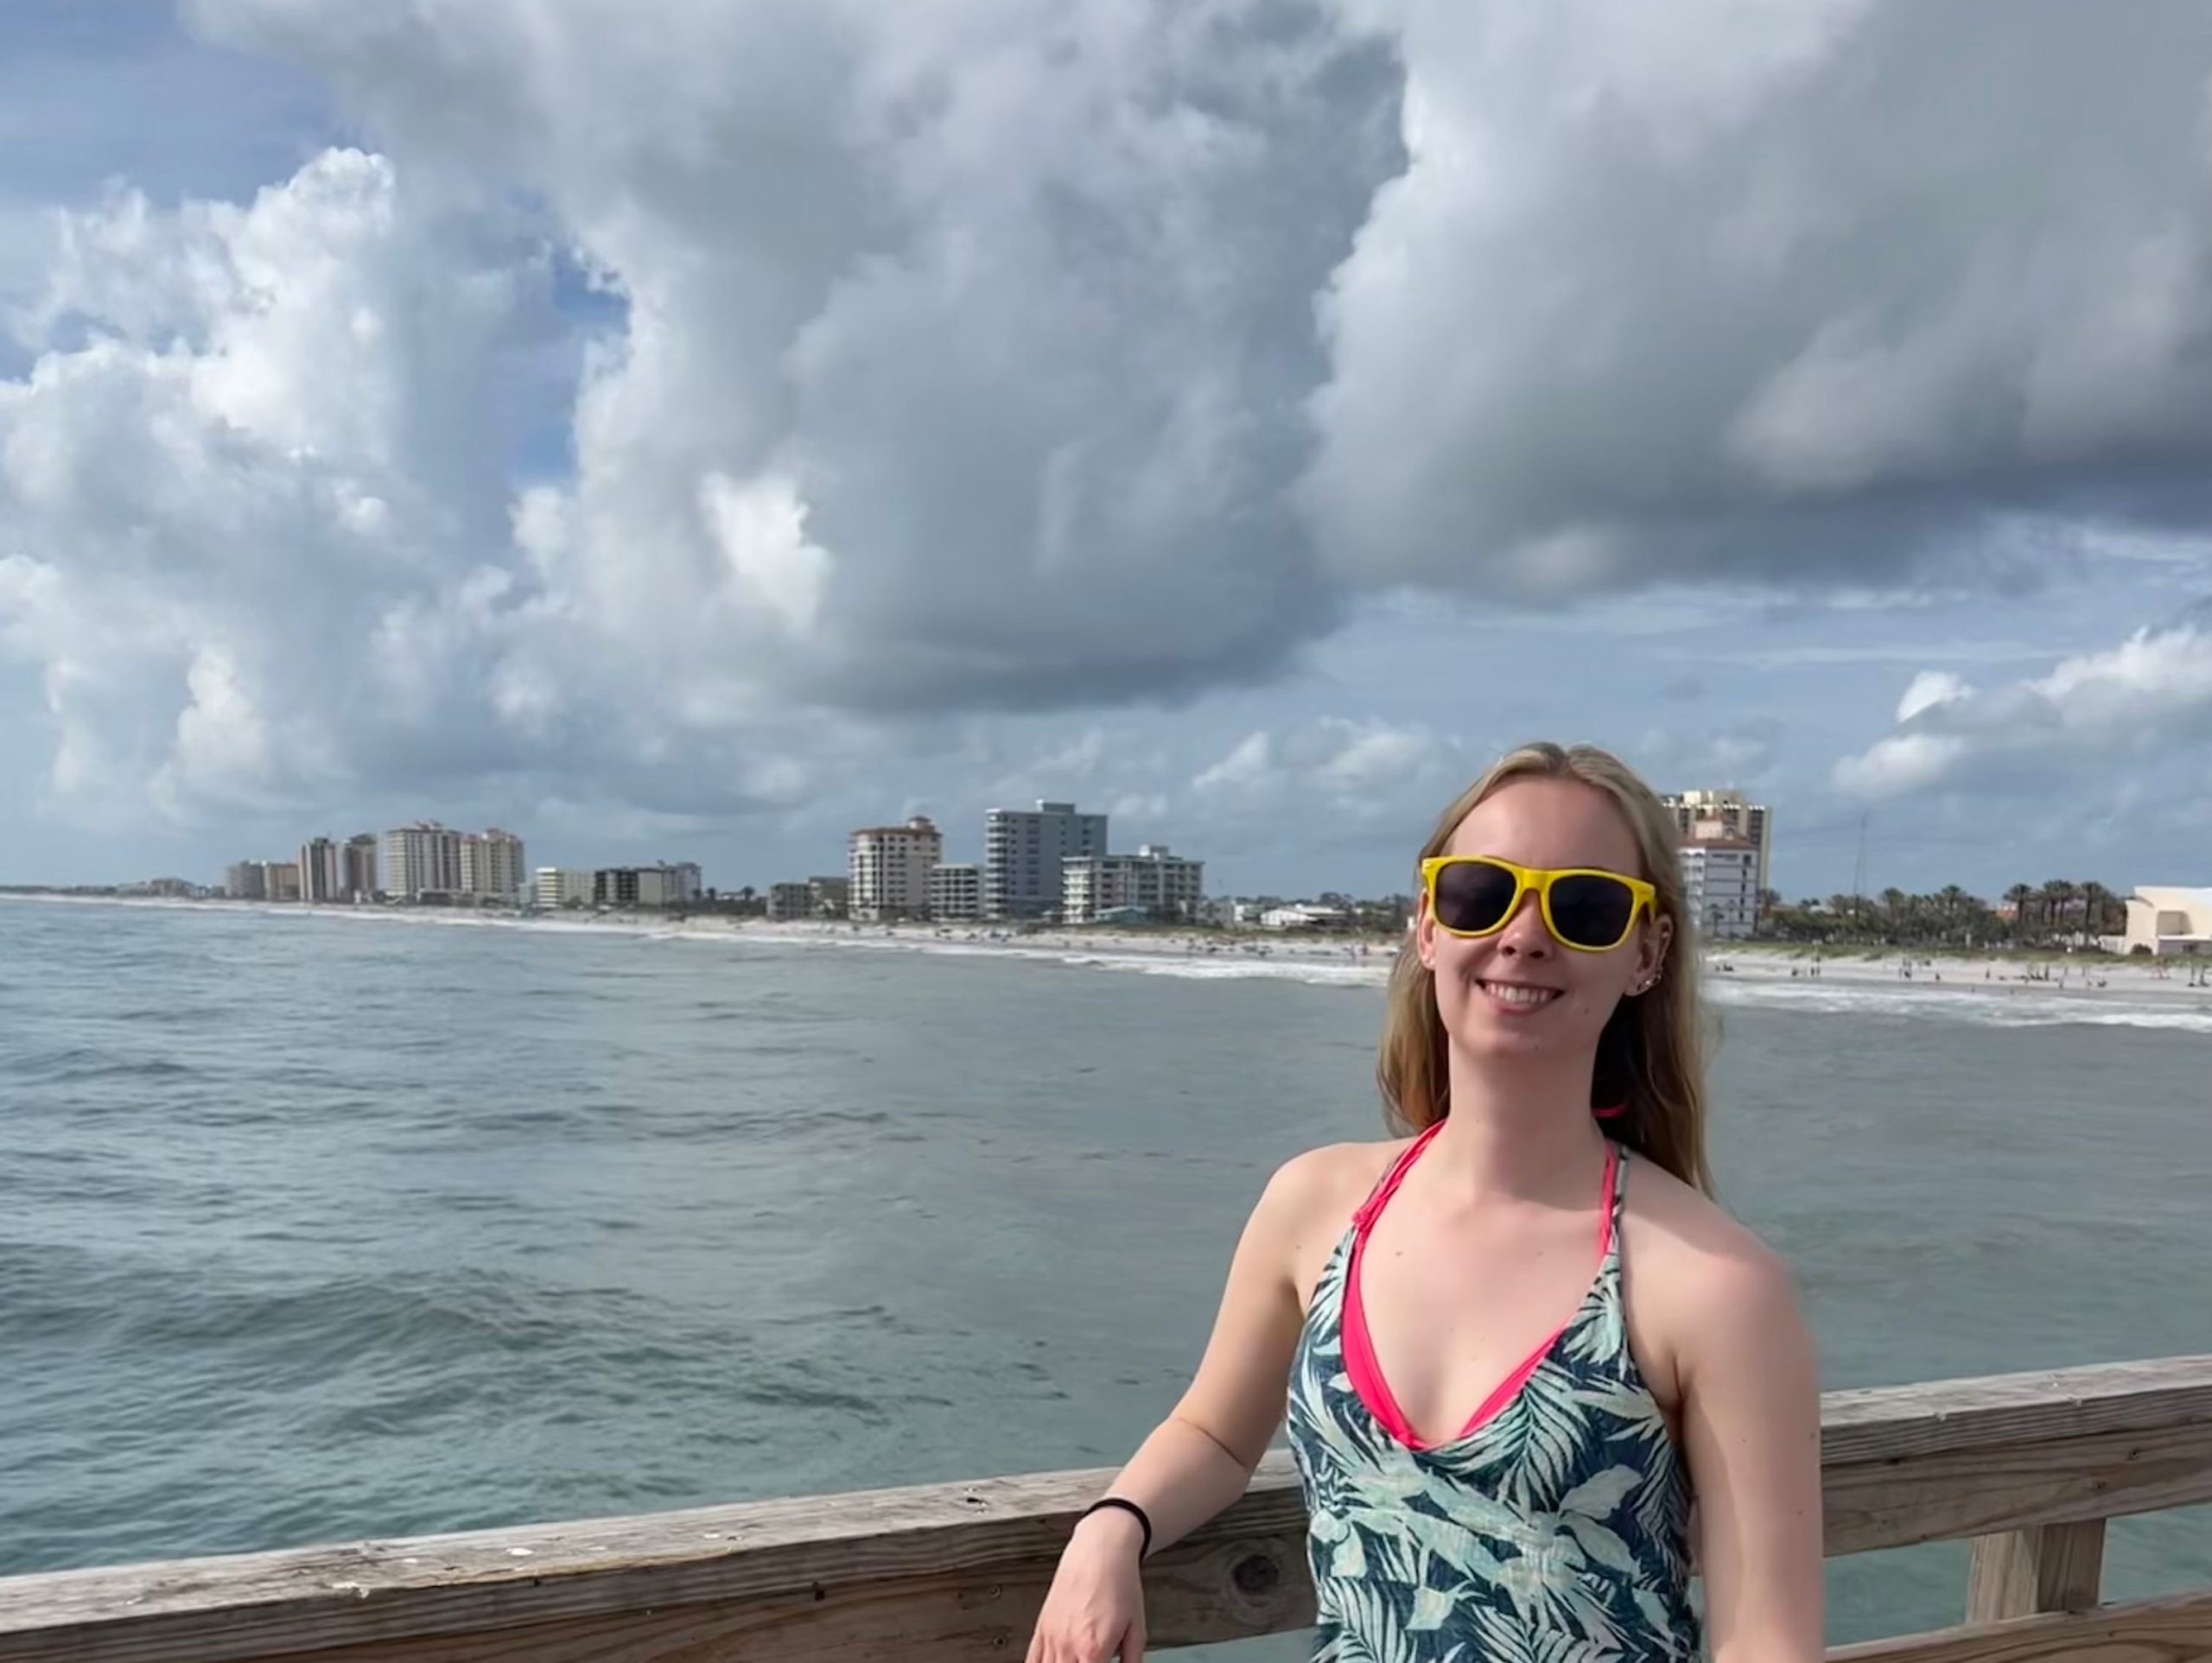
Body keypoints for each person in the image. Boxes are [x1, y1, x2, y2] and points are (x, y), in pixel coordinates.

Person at [1027, 742, 1823, 1662]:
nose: (1524, 933)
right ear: (1428, 924)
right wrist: (1110, 1528)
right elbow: (1214, 1429)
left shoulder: (1716, 1286)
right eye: (1482, 892)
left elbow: (1767, 1642)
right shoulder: (1315, 1204)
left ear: (1645, 951)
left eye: (1585, 906)